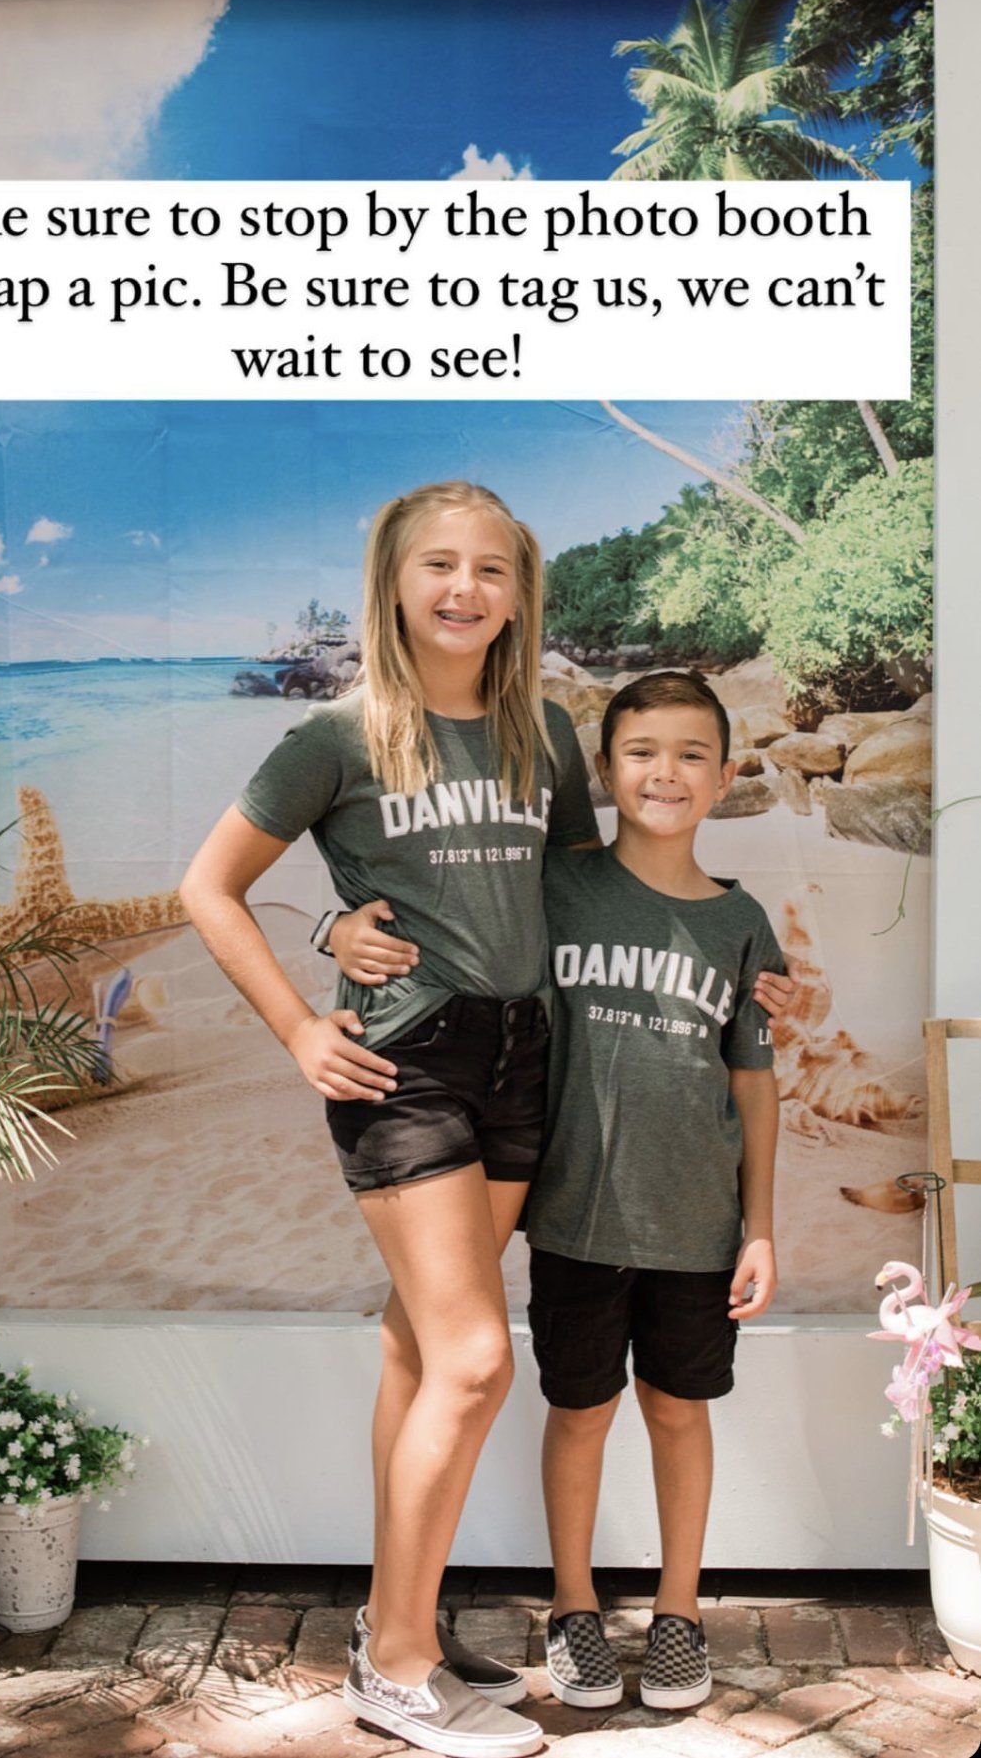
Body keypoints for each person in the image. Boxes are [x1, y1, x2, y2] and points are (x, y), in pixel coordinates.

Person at [181, 479, 604, 1758]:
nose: (465, 588)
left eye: (492, 568)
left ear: (519, 592)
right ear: (394, 583)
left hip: (523, 1057)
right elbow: (210, 888)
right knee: (477, 1360)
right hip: (405, 1062)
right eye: (439, 565)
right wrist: (302, 1017)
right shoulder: (338, 735)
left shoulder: (545, 732)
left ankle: (392, 1621)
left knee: (420, 1348)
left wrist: (722, 947)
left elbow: (578, 895)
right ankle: (401, 1669)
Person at [328, 668, 791, 1716]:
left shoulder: (742, 923)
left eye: (691, 755)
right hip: (574, 1215)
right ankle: (573, 1606)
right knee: (578, 1414)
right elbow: (443, 921)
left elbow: (754, 1082)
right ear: (604, 772)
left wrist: (760, 1226)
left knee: (679, 1411)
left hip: (697, 1225)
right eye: (641, 753)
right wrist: (337, 928)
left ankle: (679, 1613)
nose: (665, 773)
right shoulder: (556, 886)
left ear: (725, 776)